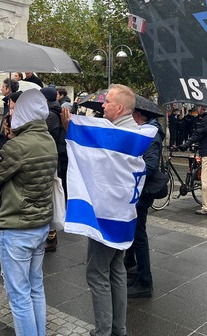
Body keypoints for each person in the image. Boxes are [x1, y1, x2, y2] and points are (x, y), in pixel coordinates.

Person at [61, 83, 138, 336]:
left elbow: (94, 159)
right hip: (125, 218)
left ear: (119, 107)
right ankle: (119, 329)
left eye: (107, 102)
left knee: (97, 273)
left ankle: (103, 331)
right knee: (116, 271)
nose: (102, 105)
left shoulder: (117, 136)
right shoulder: (134, 133)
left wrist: (70, 129)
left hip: (107, 218)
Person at [0, 89, 57, 336]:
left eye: (15, 108)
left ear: (24, 112)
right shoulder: (48, 140)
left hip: (17, 228)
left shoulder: (17, 146)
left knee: (18, 296)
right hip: (40, 225)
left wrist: (8, 142)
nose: (11, 112)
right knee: (35, 287)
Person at [125, 108, 165, 299]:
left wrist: (128, 165)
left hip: (142, 191)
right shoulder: (146, 131)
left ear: (139, 116)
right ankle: (132, 266)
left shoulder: (151, 134)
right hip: (137, 190)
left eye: (132, 114)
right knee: (134, 230)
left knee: (139, 234)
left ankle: (144, 281)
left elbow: (149, 166)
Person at [176, 105, 207, 215]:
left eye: (198, 107)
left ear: (202, 108)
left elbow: (198, 133)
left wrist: (186, 144)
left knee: (206, 181)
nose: (197, 110)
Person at [40, 86, 66, 252]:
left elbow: (43, 136)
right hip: (56, 157)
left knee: (49, 198)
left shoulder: (49, 115)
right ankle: (50, 235)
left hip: (52, 159)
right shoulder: (56, 111)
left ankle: (51, 237)